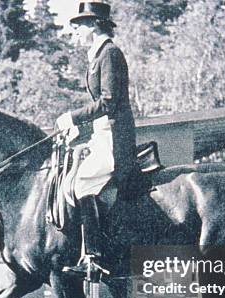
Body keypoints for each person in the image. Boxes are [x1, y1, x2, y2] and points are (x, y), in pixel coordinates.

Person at [55, 2, 137, 275]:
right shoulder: (98, 55)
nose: (75, 32)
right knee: (71, 179)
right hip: (103, 133)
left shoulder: (110, 54)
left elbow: (109, 101)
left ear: (93, 25)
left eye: (78, 26)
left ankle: (95, 257)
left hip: (116, 137)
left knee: (81, 183)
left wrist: (73, 117)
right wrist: (81, 129)